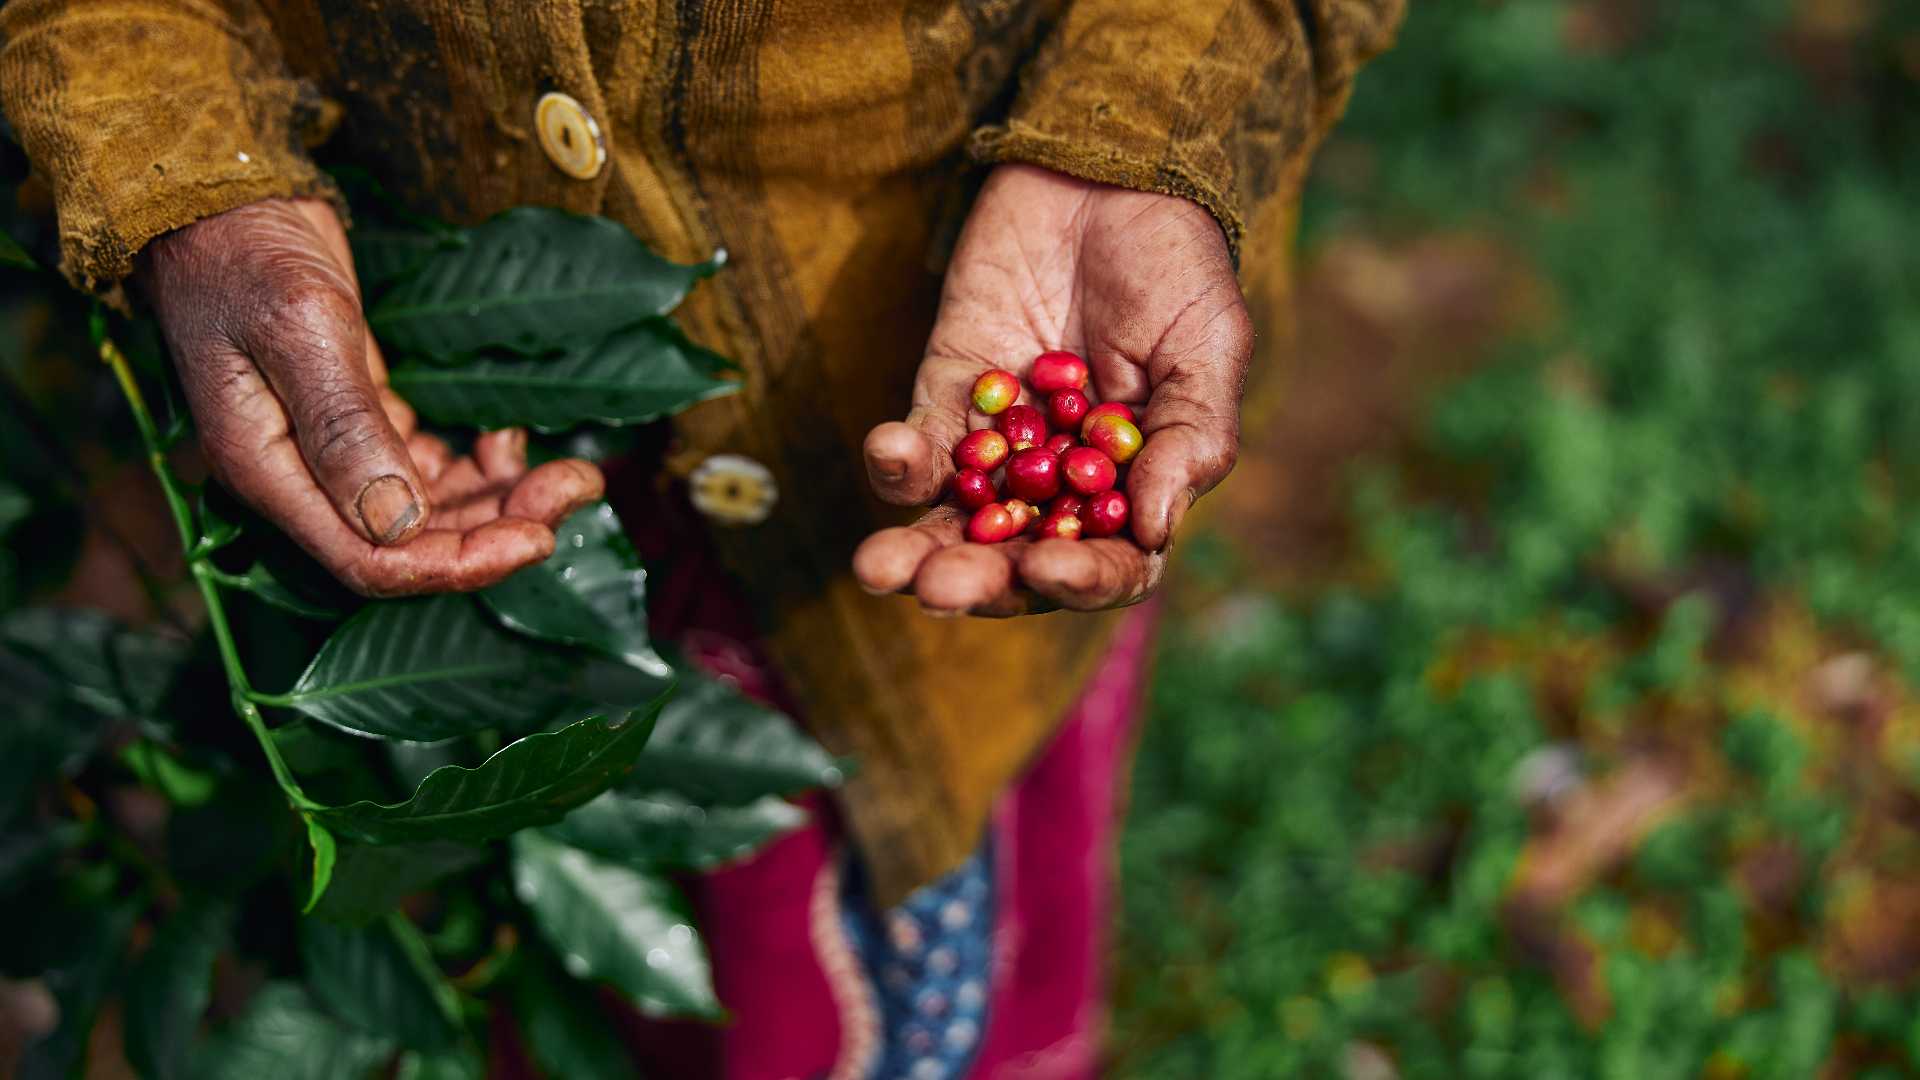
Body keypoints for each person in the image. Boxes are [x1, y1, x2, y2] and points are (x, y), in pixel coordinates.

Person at [0, 1, 1402, 1075]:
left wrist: (1152, 137)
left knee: (879, 882)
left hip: (878, 464)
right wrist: (179, 163)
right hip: (437, 400)